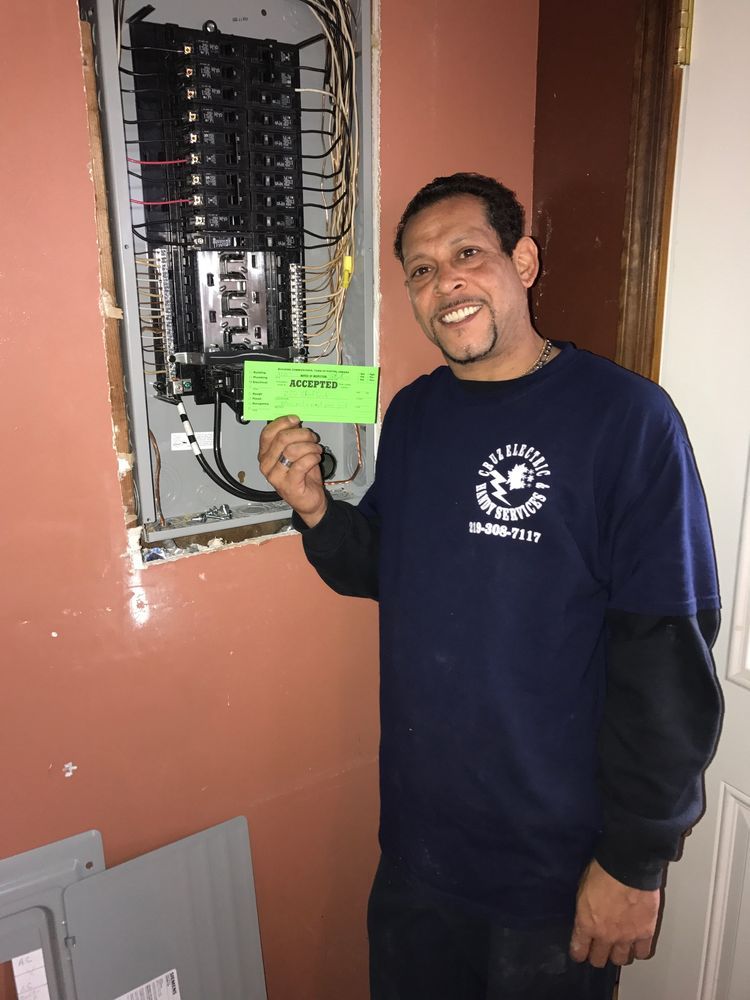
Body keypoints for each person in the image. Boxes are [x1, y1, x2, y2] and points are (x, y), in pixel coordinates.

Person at [258, 173, 722, 1000]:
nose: (446, 284)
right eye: (423, 271)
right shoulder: (416, 415)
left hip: (552, 871)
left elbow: (665, 658)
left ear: (525, 260)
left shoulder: (628, 421)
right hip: (416, 851)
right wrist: (317, 510)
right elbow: (384, 568)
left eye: (467, 254)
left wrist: (633, 862)